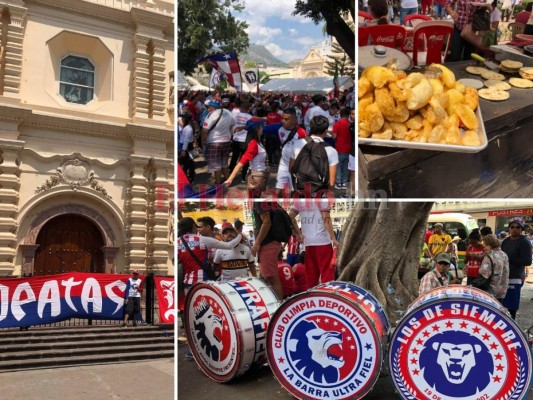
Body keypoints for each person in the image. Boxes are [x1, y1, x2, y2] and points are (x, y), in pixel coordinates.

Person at [178, 217, 243, 359]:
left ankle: (192, 350)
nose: (199, 229)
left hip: (188, 285)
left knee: (194, 317)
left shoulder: (178, 243)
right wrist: (239, 235)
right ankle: (215, 347)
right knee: (210, 315)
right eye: (197, 226)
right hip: (204, 283)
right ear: (193, 227)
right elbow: (229, 245)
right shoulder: (202, 240)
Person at [289, 199, 338, 290]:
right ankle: (326, 296)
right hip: (323, 241)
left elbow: (290, 216)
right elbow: (326, 217)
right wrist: (333, 238)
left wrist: (298, 233)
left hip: (308, 243)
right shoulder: (322, 198)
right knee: (327, 273)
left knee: (311, 275)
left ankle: (312, 298)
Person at [290, 115, 339, 195]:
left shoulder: (297, 144)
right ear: (326, 131)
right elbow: (332, 182)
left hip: (299, 190)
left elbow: (291, 169)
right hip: (319, 194)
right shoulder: (331, 151)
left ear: (311, 127)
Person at [224, 117, 268, 198]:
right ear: (257, 129)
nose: (263, 128)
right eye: (261, 126)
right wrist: (230, 179)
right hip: (256, 176)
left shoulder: (258, 141)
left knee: (255, 200)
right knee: (254, 201)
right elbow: (241, 163)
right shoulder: (253, 144)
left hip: (259, 175)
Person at [501, 220, 532, 319]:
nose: (514, 229)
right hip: (504, 276)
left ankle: (511, 324)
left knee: (512, 305)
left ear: (521, 229)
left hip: (516, 277)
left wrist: (510, 259)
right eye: (512, 227)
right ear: (509, 229)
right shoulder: (505, 241)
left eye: (517, 227)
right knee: (503, 303)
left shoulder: (524, 242)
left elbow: (528, 261)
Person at [275, 107, 307, 196]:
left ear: (294, 120)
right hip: (283, 164)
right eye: (282, 118)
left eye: (286, 119)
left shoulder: (301, 132)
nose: (283, 121)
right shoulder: (279, 128)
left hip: (296, 167)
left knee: (294, 191)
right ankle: (275, 207)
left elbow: (307, 148)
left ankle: (294, 208)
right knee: (278, 190)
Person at [201, 100, 234, 184]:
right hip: (226, 140)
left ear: (212, 107)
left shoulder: (211, 114)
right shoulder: (228, 112)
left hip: (214, 142)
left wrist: (204, 141)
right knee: (224, 163)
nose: (208, 109)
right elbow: (232, 125)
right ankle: (228, 181)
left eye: (209, 107)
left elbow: (205, 130)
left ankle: (218, 184)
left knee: (216, 165)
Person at [478, 234, 509, 302]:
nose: (484, 248)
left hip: (490, 293)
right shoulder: (504, 255)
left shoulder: (489, 257)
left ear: (490, 245)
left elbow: (483, 276)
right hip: (501, 292)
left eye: (485, 246)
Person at [332, 108, 352, 190]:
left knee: (339, 166)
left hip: (339, 148)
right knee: (346, 167)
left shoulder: (337, 124)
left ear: (340, 115)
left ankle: (338, 183)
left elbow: (334, 137)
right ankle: (344, 183)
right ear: (348, 115)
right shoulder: (351, 124)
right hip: (348, 149)